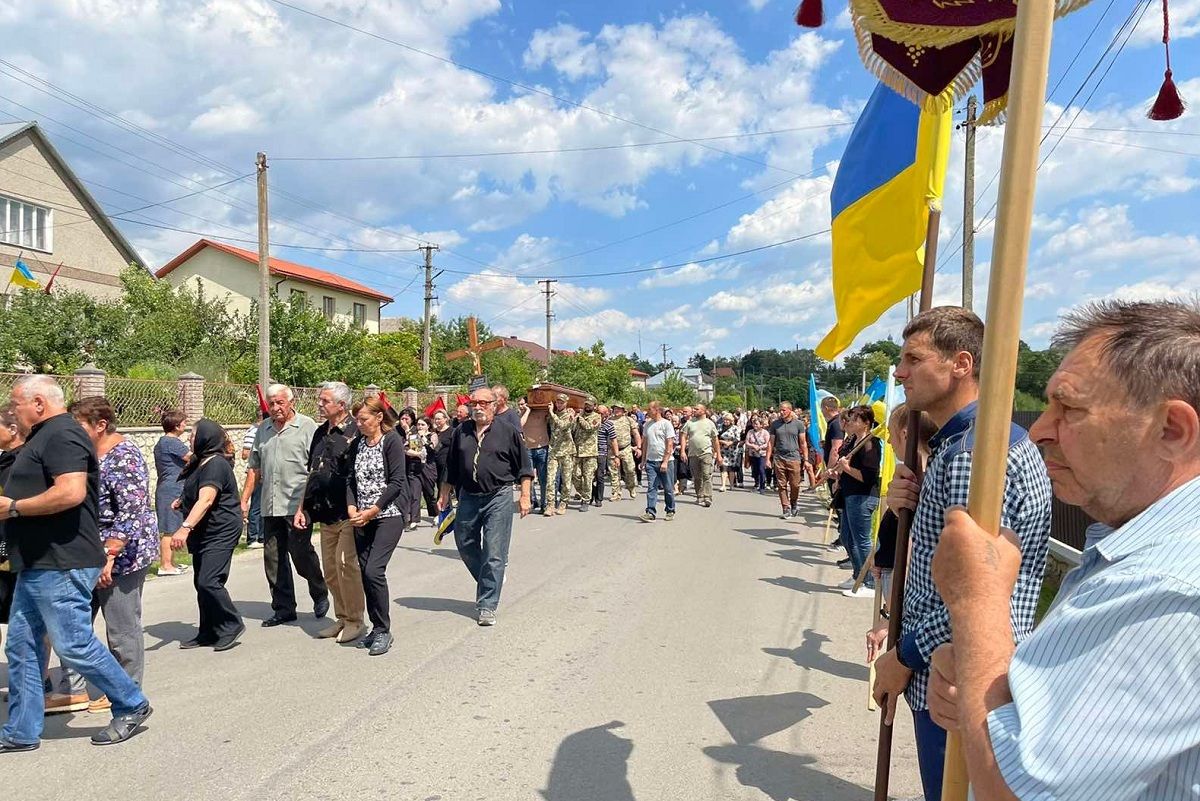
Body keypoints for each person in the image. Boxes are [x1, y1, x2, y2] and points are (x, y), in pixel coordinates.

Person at [926, 299, 1200, 801]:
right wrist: (978, 671)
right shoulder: (1134, 549)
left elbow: (1012, 792)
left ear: (1171, 430)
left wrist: (977, 606)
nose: (1039, 429)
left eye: (1069, 407)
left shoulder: (1167, 584)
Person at [871, 307, 1052, 801]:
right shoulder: (962, 447)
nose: (900, 372)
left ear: (961, 363)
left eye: (913, 358)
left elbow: (972, 595)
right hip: (954, 667)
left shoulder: (973, 457)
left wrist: (902, 655)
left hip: (954, 674)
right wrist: (910, 497)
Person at [0, 375, 151, 751]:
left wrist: (14, 507)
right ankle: (20, 730)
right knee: (21, 646)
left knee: (73, 644)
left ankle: (131, 703)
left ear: (38, 403)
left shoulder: (63, 435)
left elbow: (71, 492)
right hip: (37, 562)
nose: (12, 409)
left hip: (63, 560)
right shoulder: (43, 436)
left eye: (16, 402)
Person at [68, 397, 158, 712]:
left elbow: (132, 511)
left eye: (78, 425)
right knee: (74, 623)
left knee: (121, 629)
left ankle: (127, 691)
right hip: (88, 551)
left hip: (122, 556)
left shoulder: (124, 455)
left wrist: (110, 556)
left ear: (101, 425)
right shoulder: (88, 453)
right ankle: (75, 689)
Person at [438, 387, 533, 626]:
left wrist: (525, 496)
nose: (477, 407)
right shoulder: (462, 431)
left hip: (498, 496)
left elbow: (524, 466)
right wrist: (444, 494)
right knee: (465, 543)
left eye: (483, 403)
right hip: (469, 495)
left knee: (494, 551)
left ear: (493, 405)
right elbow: (451, 466)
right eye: (474, 403)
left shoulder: (508, 431)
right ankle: (491, 579)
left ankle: (487, 604)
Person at [242, 384, 329, 628]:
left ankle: (319, 590)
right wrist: (245, 499)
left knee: (301, 554)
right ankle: (283, 608)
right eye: (271, 404)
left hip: (297, 504)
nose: (275, 408)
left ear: (291, 402)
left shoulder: (307, 426)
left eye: (280, 403)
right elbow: (254, 467)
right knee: (273, 558)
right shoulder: (264, 430)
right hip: (270, 503)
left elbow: (316, 467)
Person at [296, 382, 367, 644]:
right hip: (323, 514)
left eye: (325, 400)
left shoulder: (355, 432)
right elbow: (311, 473)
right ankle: (342, 617)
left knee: (347, 566)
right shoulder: (319, 433)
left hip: (348, 512)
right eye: (320, 399)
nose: (319, 404)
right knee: (330, 571)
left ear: (341, 405)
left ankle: (356, 621)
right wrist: (301, 507)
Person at [171, 419, 245, 652]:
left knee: (209, 581)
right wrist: (182, 501)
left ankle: (231, 624)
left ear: (206, 437)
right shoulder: (201, 462)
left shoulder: (216, 465)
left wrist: (185, 528)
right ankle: (208, 631)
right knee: (200, 582)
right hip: (206, 530)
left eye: (193, 435)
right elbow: (196, 490)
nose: (190, 439)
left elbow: (207, 499)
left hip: (221, 529)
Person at [344, 397, 407, 656]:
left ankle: (383, 630)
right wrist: (351, 508)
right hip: (361, 518)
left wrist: (373, 510)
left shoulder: (391, 441)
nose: (358, 424)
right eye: (356, 420)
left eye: (363, 419)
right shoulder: (358, 443)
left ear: (379, 417)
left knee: (373, 570)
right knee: (365, 572)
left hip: (387, 515)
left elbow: (397, 481)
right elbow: (350, 480)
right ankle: (376, 627)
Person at [829, 405, 882, 599]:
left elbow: (868, 477)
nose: (849, 422)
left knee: (861, 540)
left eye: (854, 419)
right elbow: (845, 466)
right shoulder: (853, 441)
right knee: (847, 537)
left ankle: (868, 582)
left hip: (863, 496)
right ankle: (857, 574)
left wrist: (847, 468)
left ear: (866, 423)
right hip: (849, 494)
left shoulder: (870, 444)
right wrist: (838, 474)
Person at [0, 404, 26, 681]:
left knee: (27, 624)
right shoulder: (5, 460)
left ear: (12, 429)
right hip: (2, 549)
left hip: (17, 550)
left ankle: (37, 678)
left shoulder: (23, 462)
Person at [153, 409, 191, 577]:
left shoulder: (163, 442)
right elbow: (192, 457)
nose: (185, 425)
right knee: (169, 528)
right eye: (184, 422)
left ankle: (171, 562)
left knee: (173, 526)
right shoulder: (172, 442)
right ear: (176, 426)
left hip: (168, 487)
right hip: (171, 489)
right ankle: (166, 565)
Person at [767, 402, 808, 519]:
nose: (781, 412)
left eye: (784, 410)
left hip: (794, 457)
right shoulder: (775, 425)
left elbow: (803, 443)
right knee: (781, 484)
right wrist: (768, 459)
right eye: (780, 410)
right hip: (779, 457)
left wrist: (805, 459)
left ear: (790, 410)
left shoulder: (799, 424)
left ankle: (794, 502)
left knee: (795, 484)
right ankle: (785, 507)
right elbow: (771, 443)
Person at [639, 401, 676, 523]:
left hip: (665, 461)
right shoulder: (647, 425)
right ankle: (650, 512)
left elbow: (669, 444)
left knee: (668, 488)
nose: (647, 411)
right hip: (651, 461)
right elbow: (645, 443)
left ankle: (670, 510)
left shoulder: (666, 424)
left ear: (657, 410)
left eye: (649, 409)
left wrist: (665, 462)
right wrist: (643, 460)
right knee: (651, 487)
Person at [681, 404, 720, 507]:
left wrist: (718, 454)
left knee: (707, 475)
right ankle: (699, 495)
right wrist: (682, 451)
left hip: (706, 452)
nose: (694, 410)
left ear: (703, 411)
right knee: (697, 477)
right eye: (694, 408)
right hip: (693, 453)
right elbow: (683, 436)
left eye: (697, 409)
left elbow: (715, 440)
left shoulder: (710, 423)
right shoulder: (689, 423)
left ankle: (708, 497)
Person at [544, 394, 576, 516]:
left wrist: (552, 413)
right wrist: (549, 412)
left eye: (561, 402)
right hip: (554, 451)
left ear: (566, 403)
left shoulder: (569, 415)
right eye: (557, 402)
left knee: (567, 480)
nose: (559, 404)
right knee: (550, 479)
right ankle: (550, 504)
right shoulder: (551, 415)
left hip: (567, 451)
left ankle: (563, 502)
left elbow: (563, 426)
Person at [520, 397, 549, 514]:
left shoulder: (542, 412)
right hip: (528, 449)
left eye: (522, 404)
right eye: (519, 404)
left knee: (543, 478)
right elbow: (519, 425)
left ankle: (544, 504)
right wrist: (526, 411)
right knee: (529, 479)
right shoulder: (521, 415)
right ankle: (532, 501)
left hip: (542, 448)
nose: (520, 406)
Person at [572, 398, 601, 512]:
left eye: (590, 405)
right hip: (577, 451)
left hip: (590, 452)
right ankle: (587, 492)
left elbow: (589, 428)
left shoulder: (597, 417)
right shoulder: (579, 415)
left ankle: (585, 500)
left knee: (587, 477)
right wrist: (573, 417)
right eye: (586, 405)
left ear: (594, 406)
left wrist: (579, 417)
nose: (587, 407)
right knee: (575, 475)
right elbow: (572, 428)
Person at [240, 415, 265, 549]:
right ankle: (252, 537)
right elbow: (244, 454)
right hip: (256, 473)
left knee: (263, 505)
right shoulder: (254, 430)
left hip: (265, 473)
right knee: (256, 505)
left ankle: (262, 536)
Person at [607, 402, 640, 501]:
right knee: (614, 472)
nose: (616, 410)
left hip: (626, 449)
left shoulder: (628, 420)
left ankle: (631, 487)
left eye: (619, 409)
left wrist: (638, 447)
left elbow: (636, 434)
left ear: (623, 410)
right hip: (612, 450)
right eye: (615, 409)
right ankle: (616, 493)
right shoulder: (609, 421)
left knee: (630, 470)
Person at [592, 405, 614, 507]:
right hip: (590, 452)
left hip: (601, 453)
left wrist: (616, 455)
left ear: (606, 414)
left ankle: (599, 498)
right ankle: (591, 495)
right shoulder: (591, 421)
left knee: (599, 476)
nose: (598, 415)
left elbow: (613, 440)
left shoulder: (609, 424)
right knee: (589, 477)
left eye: (600, 413)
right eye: (597, 412)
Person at [744, 416, 770, 493]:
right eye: (754, 424)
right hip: (752, 454)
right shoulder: (750, 432)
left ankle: (762, 486)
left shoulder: (765, 433)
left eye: (757, 424)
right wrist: (752, 446)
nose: (755, 425)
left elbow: (768, 443)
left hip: (762, 454)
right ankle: (756, 483)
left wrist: (760, 447)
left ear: (761, 425)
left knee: (761, 469)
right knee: (755, 470)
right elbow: (747, 442)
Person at [717, 412, 741, 493]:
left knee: (731, 469)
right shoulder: (719, 427)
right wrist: (723, 442)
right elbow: (716, 438)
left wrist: (730, 443)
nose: (726, 421)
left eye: (728, 420)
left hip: (732, 450)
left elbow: (737, 438)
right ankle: (723, 485)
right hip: (723, 450)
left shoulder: (735, 428)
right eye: (725, 420)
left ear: (731, 420)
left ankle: (731, 485)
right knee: (723, 467)